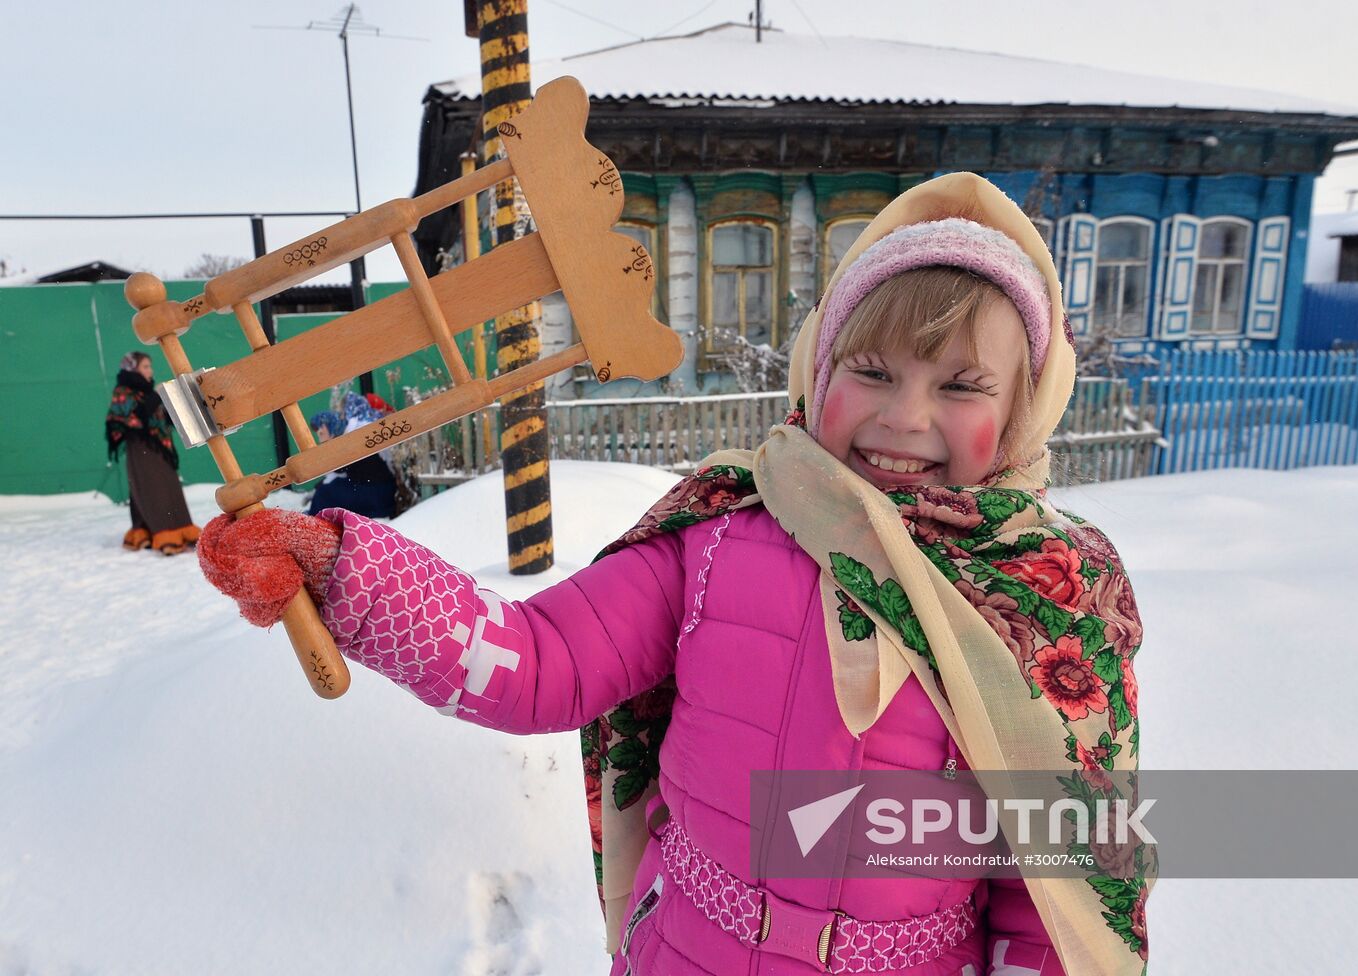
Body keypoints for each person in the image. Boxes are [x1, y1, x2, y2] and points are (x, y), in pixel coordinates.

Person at [196, 174, 1148, 975]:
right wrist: (342, 570)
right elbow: (537, 660)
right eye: (873, 370)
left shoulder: (1050, 598)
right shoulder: (722, 534)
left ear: (1025, 406)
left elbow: (1056, 889)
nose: (905, 417)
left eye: (960, 385)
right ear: (818, 369)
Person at [105, 350, 200, 555]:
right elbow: (134, 418)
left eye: (150, 366)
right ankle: (166, 533)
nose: (150, 370)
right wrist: (156, 396)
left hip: (159, 447)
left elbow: (159, 419)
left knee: (166, 485)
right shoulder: (124, 391)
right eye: (145, 366)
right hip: (141, 447)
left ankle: (153, 530)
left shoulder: (146, 391)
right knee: (152, 487)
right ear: (132, 368)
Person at [305, 393, 399, 519]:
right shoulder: (349, 434)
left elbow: (341, 467)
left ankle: (316, 519)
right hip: (376, 490)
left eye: (322, 432)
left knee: (324, 492)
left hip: (377, 494)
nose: (320, 437)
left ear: (331, 428)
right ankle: (317, 516)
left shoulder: (353, 436)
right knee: (326, 488)